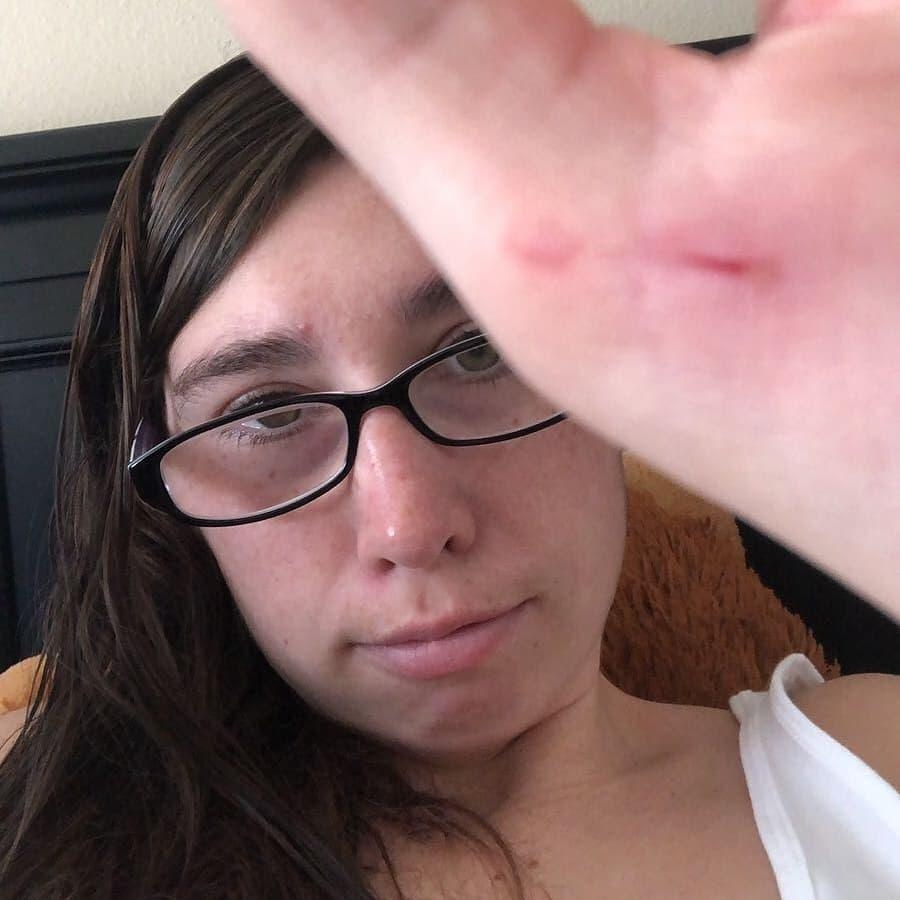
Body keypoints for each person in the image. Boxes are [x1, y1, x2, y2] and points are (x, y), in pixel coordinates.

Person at [0, 32, 896, 900]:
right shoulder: (45, 826)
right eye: (266, 413)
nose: (410, 526)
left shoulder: (868, 762)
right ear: (161, 491)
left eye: (479, 351)